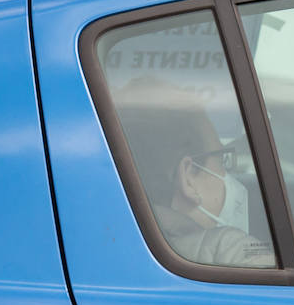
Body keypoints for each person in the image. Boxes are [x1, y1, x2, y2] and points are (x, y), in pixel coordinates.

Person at [113, 78, 276, 268]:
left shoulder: (113, 243)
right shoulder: (230, 251)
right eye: (222, 160)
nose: (227, 176)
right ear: (188, 177)